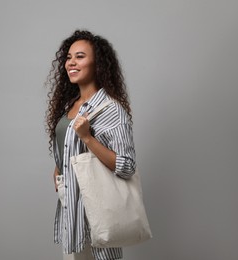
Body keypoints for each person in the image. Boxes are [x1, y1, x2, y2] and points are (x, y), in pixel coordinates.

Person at [45, 30, 136, 260]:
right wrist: (59, 167)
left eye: (80, 56)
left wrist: (87, 138)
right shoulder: (70, 105)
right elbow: (66, 143)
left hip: (98, 204)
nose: (71, 63)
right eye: (68, 57)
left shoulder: (111, 110)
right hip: (71, 203)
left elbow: (126, 166)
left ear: (98, 64)